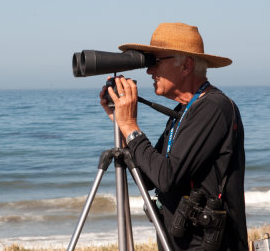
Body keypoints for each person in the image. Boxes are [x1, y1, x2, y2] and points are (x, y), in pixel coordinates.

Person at [100, 22, 248, 250]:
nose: (149, 71)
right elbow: (149, 177)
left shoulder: (213, 108)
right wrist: (120, 124)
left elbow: (166, 177)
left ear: (186, 65)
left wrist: (130, 124)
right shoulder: (185, 110)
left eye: (156, 62)